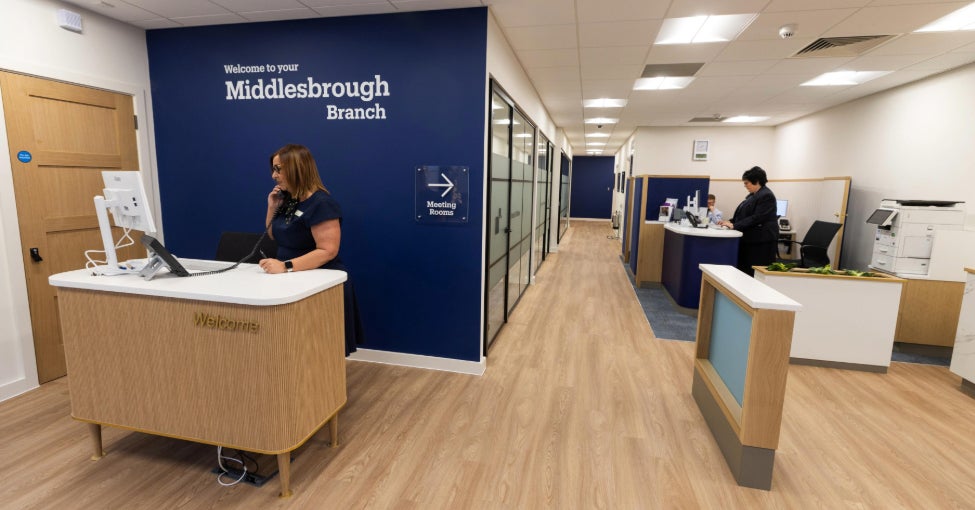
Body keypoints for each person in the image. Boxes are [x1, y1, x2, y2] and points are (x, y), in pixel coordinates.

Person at [259, 143, 363, 355]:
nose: (273, 175)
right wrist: (272, 206)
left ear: (296, 168)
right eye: (273, 169)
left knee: (319, 349)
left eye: (278, 169)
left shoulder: (321, 204)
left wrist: (285, 266)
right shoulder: (289, 200)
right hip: (291, 278)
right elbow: (274, 234)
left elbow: (328, 251)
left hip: (320, 282)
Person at [718, 166, 779, 276]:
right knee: (744, 269)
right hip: (751, 239)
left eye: (747, 183)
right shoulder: (753, 195)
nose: (745, 185)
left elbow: (757, 217)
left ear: (757, 181)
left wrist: (734, 225)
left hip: (761, 241)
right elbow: (743, 214)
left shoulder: (766, 196)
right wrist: (730, 222)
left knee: (754, 273)